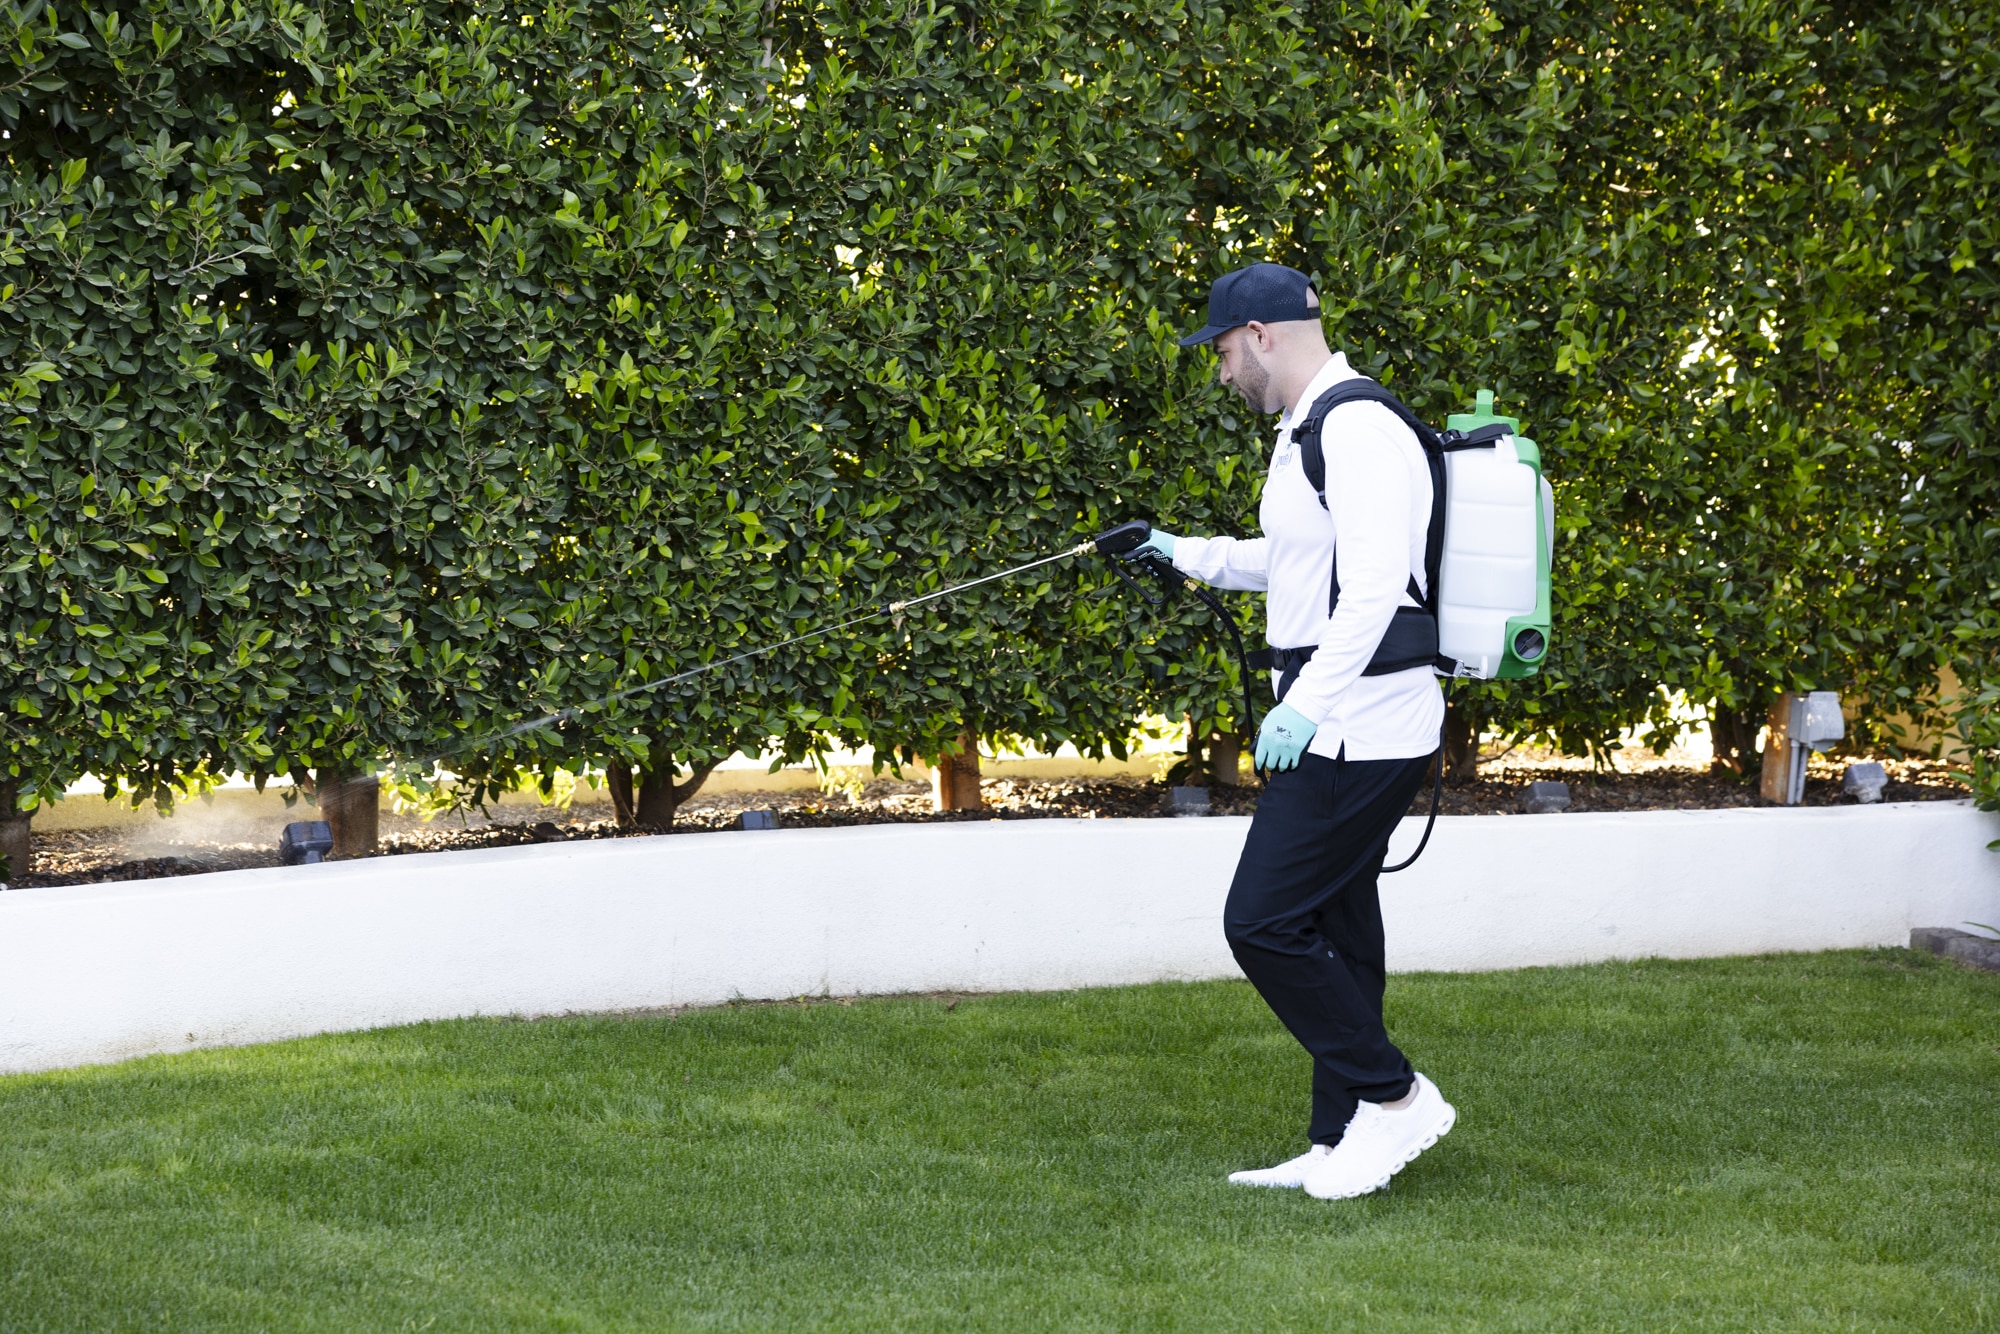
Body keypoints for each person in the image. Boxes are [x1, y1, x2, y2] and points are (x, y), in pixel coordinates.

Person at [1130, 262, 1456, 1200]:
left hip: (1363, 730)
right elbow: (1297, 561)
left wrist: (1306, 703)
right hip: (1344, 722)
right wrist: (1177, 551)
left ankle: (1397, 1100)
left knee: (1262, 922)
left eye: (1223, 351)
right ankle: (1339, 1137)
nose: (1222, 370)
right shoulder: (1308, 428)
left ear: (1261, 335)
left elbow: (1375, 588)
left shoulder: (1355, 428)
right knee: (1338, 928)